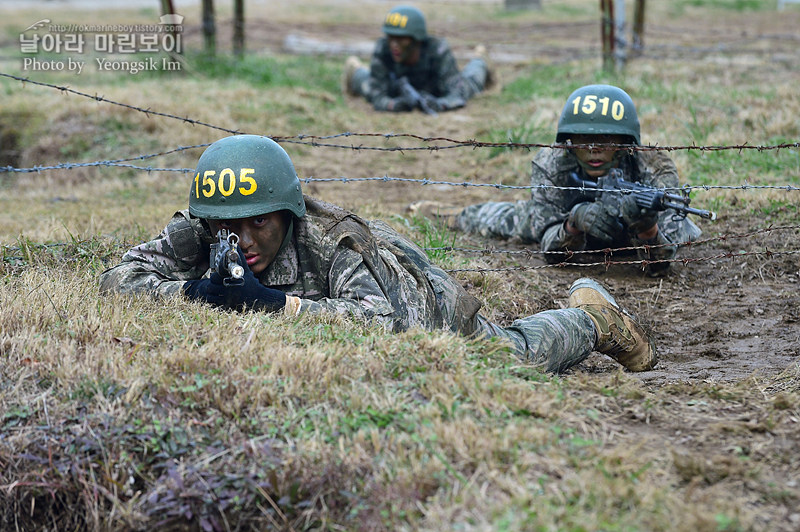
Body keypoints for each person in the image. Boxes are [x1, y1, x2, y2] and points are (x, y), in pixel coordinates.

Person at [99, 135, 657, 374]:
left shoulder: (333, 242)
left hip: (414, 295)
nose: (242, 238)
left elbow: (380, 323)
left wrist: (270, 304)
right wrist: (199, 292)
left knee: (506, 360)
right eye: (228, 226)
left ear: (286, 216)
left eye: (258, 223)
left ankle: (592, 317)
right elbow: (118, 278)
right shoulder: (205, 228)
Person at [413, 84, 702, 277]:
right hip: (571, 226)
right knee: (508, 218)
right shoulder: (552, 162)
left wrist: (648, 227)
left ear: (626, 142)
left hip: (635, 237)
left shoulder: (653, 167)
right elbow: (549, 248)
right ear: (568, 141)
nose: (593, 149)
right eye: (583, 139)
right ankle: (446, 213)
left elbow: (663, 264)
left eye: (605, 139)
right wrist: (574, 222)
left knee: (686, 233)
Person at [343, 4, 492, 113]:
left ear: (417, 40)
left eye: (402, 40)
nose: (394, 45)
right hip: (396, 87)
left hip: (435, 87)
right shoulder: (383, 48)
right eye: (391, 38)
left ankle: (479, 60)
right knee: (367, 87)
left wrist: (439, 104)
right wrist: (394, 105)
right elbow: (377, 95)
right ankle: (355, 70)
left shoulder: (437, 50)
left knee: (469, 86)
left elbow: (456, 94)